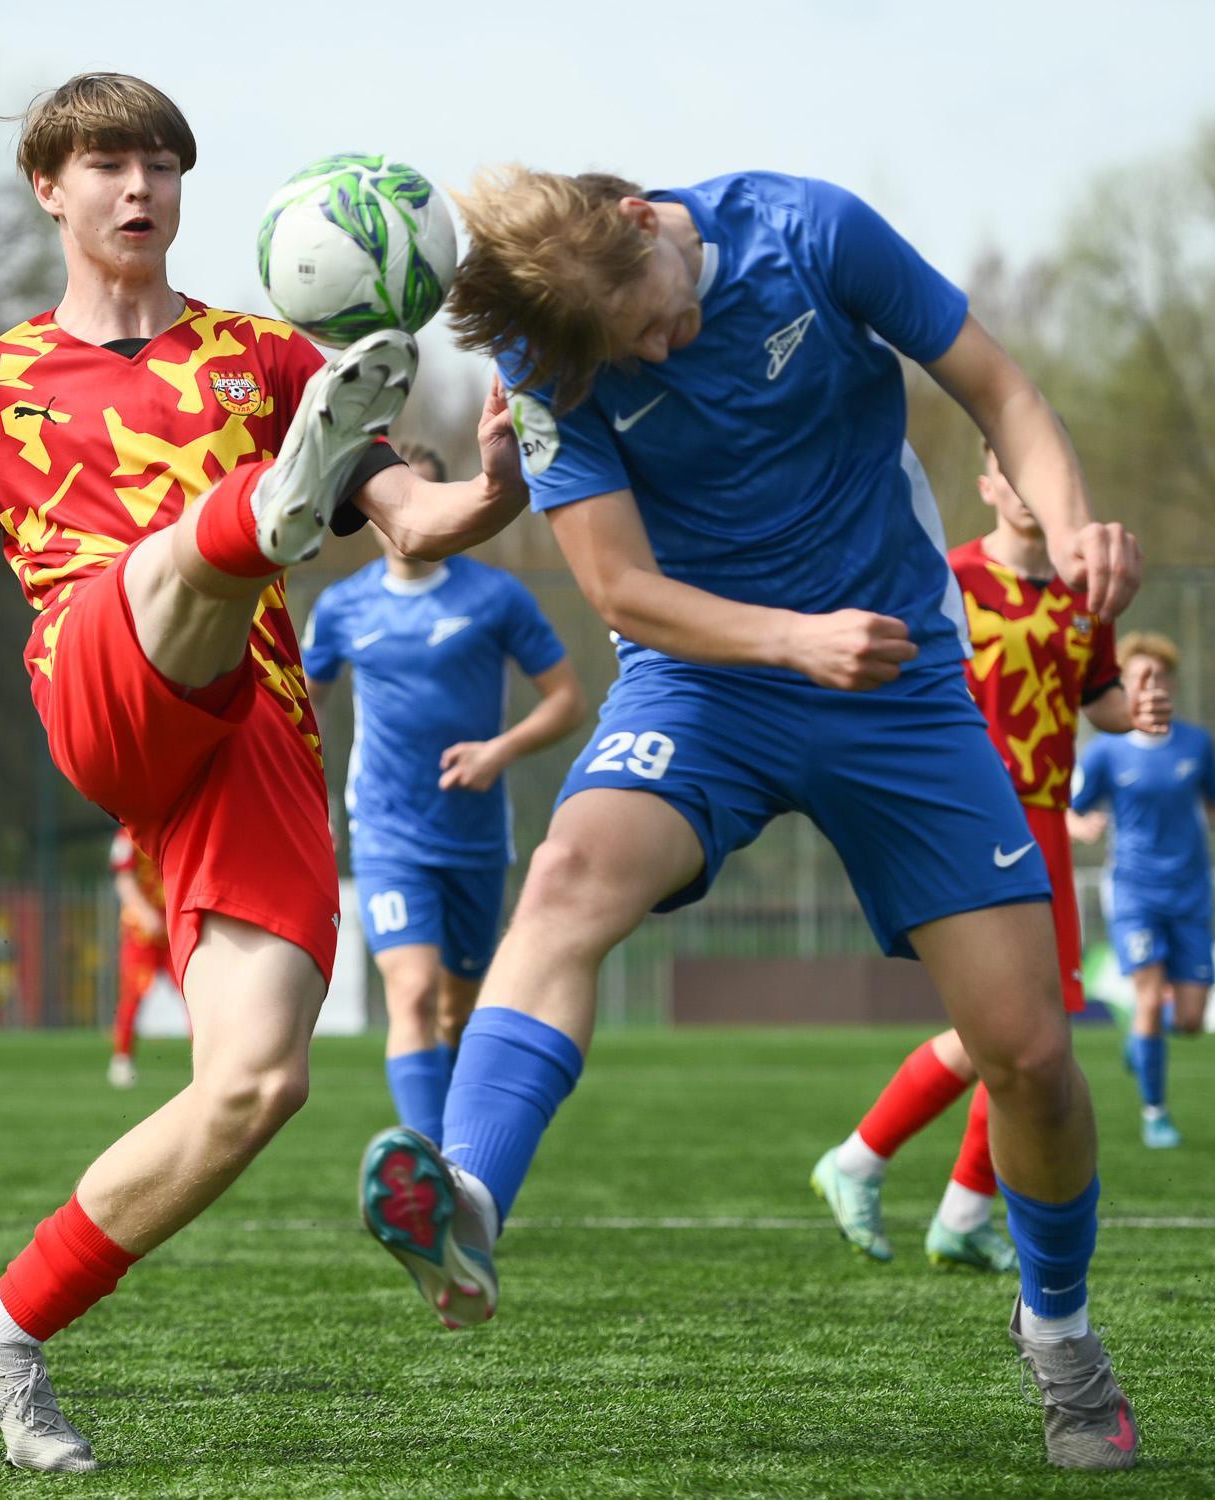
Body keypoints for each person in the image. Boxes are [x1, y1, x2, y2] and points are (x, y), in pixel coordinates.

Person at [0, 73, 526, 1472]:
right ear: (50, 189)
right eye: (106, 163)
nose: (140, 186)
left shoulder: (271, 361)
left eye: (160, 163)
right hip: (100, 675)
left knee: (256, 1086)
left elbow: (417, 521)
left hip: (255, 744)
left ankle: (2, 1328)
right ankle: (261, 511)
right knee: (178, 561)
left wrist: (498, 483)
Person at [355, 166, 1147, 1470]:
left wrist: (1070, 526)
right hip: (705, 680)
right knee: (565, 880)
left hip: (895, 675)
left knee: (1027, 1052)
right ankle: (473, 1202)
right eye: (631, 353)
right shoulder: (548, 361)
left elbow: (998, 389)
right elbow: (620, 587)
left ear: (639, 220)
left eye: (654, 320)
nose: (659, 353)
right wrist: (787, 640)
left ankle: (1059, 1335)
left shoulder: (808, 231)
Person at [811, 441, 1170, 1273]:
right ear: (986, 485)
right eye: (1007, 470)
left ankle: (958, 1210)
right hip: (971, 811)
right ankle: (867, 1161)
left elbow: (1099, 697)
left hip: (1046, 816)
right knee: (1013, 1028)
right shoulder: (950, 577)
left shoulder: (1085, 588)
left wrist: (1139, 711)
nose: (1024, 487)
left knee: (1034, 1031)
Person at [304, 441, 586, 1141]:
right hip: (386, 832)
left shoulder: (495, 597)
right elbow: (302, 712)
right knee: (412, 992)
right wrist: (308, 805)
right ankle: (428, 1170)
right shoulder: (341, 608)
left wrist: (499, 750)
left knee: (459, 1013)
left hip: (475, 838)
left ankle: (458, 1150)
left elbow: (567, 702)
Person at [1068, 631, 1215, 1149]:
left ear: (1172, 684)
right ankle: (1155, 1114)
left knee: (1192, 1019)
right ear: (1123, 686)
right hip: (1134, 891)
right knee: (1150, 999)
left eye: (1160, 676)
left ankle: (1141, 1042)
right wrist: (1080, 825)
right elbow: (1068, 807)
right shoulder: (1106, 751)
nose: (1151, 685)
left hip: (1191, 890)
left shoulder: (1196, 744)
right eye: (1140, 677)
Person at [106, 826, 167, 1088]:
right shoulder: (127, 836)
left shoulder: (177, 827)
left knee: (196, 997)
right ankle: (122, 1059)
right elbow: (124, 879)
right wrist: (144, 913)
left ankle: (206, 1062)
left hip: (177, 927)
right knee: (132, 995)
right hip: (141, 932)